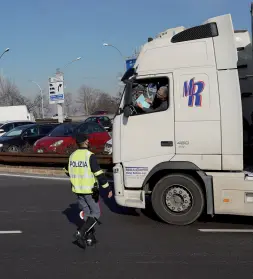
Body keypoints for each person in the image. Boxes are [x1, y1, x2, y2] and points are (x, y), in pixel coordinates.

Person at [64, 133, 113, 247]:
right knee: (96, 213)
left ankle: (90, 238)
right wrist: (107, 188)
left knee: (87, 213)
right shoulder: (89, 156)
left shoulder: (72, 156)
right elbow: (99, 174)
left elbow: (67, 171)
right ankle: (80, 233)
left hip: (77, 190)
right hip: (90, 191)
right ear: (86, 142)